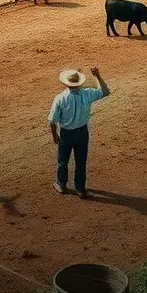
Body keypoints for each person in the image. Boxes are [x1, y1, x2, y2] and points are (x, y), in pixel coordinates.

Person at [48, 67, 110, 199]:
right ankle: (80, 188)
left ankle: (61, 184)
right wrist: (98, 76)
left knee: (63, 161)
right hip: (82, 132)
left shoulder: (60, 98)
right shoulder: (87, 94)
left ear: (66, 83)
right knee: (81, 162)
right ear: (79, 83)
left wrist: (55, 135)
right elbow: (105, 91)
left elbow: (52, 121)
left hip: (66, 133)